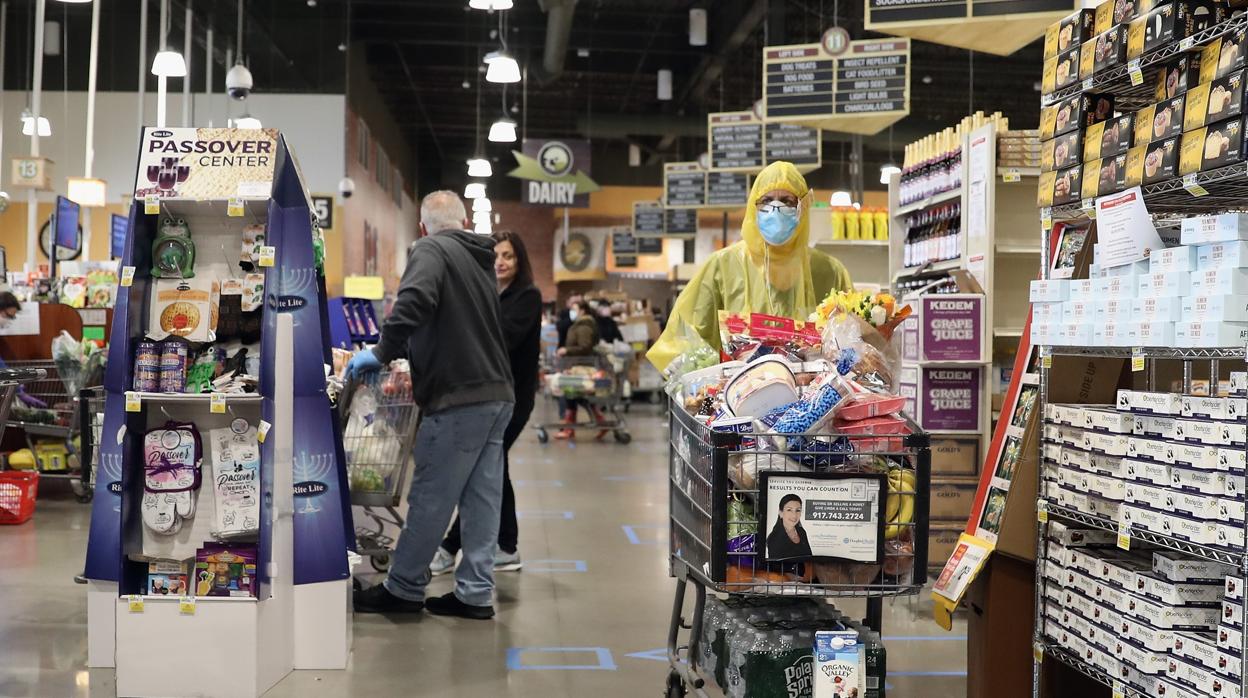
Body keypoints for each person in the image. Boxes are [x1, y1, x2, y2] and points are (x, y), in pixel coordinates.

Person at [350, 190, 514, 620]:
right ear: (463, 223)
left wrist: (382, 352)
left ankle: (403, 589)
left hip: (458, 397)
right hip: (496, 393)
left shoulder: (430, 249)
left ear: (423, 227)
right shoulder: (480, 260)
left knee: (431, 496)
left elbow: (415, 301)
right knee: (482, 499)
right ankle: (475, 593)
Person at [646, 161, 853, 372]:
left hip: (814, 399)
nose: (776, 209)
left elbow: (851, 340)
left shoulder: (829, 271)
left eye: (787, 201)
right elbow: (687, 329)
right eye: (766, 200)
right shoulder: (722, 266)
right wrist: (689, 372)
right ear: (753, 207)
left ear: (803, 207)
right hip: (738, 397)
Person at [431, 230, 542, 576]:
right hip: (489, 395)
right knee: (493, 467)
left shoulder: (527, 296)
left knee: (482, 468)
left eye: (508, 256)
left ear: (519, 261)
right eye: (496, 256)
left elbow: (502, 340)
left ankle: (450, 547)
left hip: (513, 398)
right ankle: (506, 546)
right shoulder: (490, 293)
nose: (501, 262)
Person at [554, 299, 600, 440]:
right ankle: (572, 427)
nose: (571, 312)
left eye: (574, 309)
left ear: (582, 310)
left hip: (581, 367)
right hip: (576, 366)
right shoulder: (580, 324)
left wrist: (566, 350)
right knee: (574, 396)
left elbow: (585, 347)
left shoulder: (585, 326)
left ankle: (570, 428)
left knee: (572, 394)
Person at [766, 494, 813, 560]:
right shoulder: (774, 538)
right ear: (781, 513)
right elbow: (775, 567)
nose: (794, 515)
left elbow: (810, 558)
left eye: (798, 510)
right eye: (789, 510)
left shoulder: (801, 532)